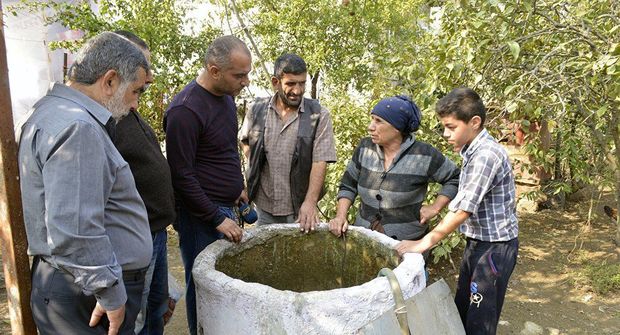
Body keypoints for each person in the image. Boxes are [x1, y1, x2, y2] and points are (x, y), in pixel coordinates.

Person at [17, 32, 153, 335]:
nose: (134, 105)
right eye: (136, 91)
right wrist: (111, 293)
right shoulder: (79, 127)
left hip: (73, 285)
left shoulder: (53, 111)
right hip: (87, 295)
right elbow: (75, 228)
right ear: (109, 81)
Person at [396, 87, 519, 334]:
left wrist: (424, 243)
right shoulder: (472, 151)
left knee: (479, 319)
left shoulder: (485, 155)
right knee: (463, 306)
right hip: (478, 242)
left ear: (475, 122)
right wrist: (434, 207)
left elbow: (464, 210)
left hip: (494, 246)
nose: (445, 133)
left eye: (451, 127)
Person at [164, 35, 251, 335]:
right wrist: (217, 218)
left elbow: (226, 147)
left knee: (222, 282)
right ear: (214, 70)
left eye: (247, 73)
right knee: (203, 285)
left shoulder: (226, 98)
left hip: (226, 206)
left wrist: (237, 186)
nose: (246, 81)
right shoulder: (185, 111)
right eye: (239, 75)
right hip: (200, 216)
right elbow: (181, 176)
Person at [329, 95, 460, 245]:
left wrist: (435, 207)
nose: (370, 126)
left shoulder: (424, 154)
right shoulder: (365, 148)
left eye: (378, 121)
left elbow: (455, 178)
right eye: (372, 119)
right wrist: (340, 216)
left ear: (397, 127)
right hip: (364, 237)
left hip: (407, 243)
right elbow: (348, 184)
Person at [112, 30, 176, 335]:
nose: (149, 77)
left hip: (155, 232)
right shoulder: (106, 117)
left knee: (158, 310)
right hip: (135, 237)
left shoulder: (129, 108)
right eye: (143, 68)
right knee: (135, 318)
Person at [239, 53, 336, 232]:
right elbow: (244, 141)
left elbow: (320, 160)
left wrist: (310, 202)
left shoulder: (319, 115)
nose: (297, 90)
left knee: (298, 258)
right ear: (276, 82)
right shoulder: (257, 110)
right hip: (264, 206)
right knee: (267, 256)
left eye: (302, 83)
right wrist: (255, 166)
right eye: (291, 83)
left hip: (299, 210)